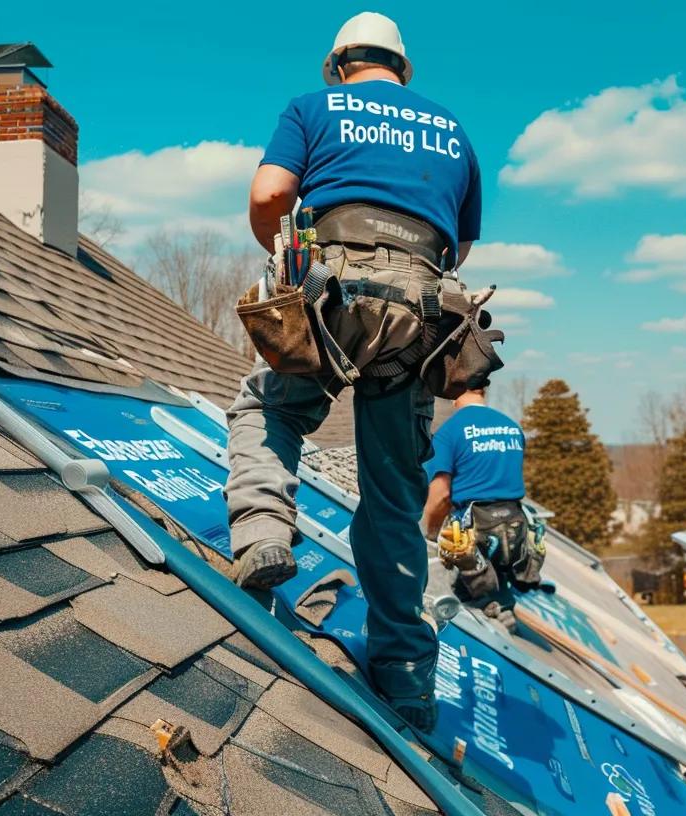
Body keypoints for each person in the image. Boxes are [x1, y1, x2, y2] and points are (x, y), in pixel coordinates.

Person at [223, 11, 482, 731]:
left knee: (269, 409)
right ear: (403, 70)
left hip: (331, 289)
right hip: (422, 310)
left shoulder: (314, 107)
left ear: (338, 65)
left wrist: (281, 262)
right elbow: (456, 245)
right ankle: (404, 675)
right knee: (397, 491)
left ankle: (266, 533)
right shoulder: (451, 129)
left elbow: (272, 195)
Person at [422, 385, 543, 621]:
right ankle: (501, 612)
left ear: (454, 389)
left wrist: (431, 535)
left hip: (474, 533)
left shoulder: (451, 431)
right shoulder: (511, 428)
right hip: (515, 528)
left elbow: (440, 496)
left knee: (463, 605)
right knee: (497, 595)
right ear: (484, 389)